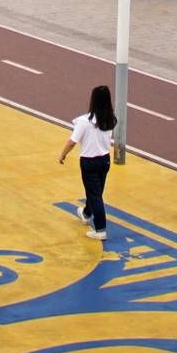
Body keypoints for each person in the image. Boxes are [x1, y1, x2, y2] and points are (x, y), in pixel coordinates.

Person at [60, 85, 116, 241]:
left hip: (89, 162)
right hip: (104, 160)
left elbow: (72, 142)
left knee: (95, 195)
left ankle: (101, 229)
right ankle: (86, 213)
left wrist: (62, 154)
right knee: (96, 192)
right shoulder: (110, 119)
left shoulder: (84, 121)